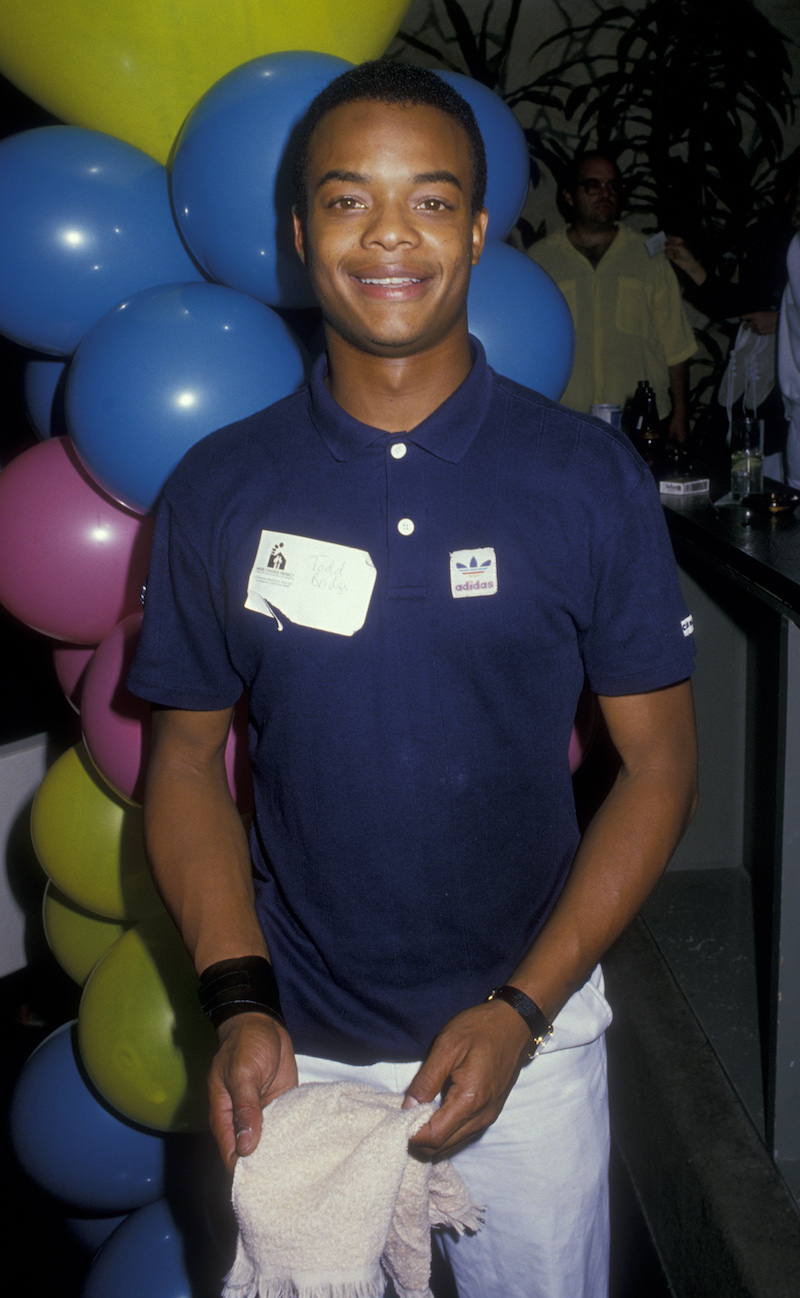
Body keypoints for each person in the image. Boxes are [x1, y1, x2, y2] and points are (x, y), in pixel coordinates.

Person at [128, 62, 698, 1298]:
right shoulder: (219, 487)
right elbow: (182, 762)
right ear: (298, 233)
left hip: (531, 1040)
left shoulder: (584, 478)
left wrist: (521, 1008)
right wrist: (238, 1000)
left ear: (478, 232)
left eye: (430, 201)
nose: (389, 234)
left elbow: (658, 764)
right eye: (347, 199)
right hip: (295, 1049)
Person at [530, 151, 697, 441]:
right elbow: (530, 345)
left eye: (613, 186)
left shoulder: (648, 255)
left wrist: (681, 414)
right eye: (593, 185)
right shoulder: (540, 260)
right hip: (566, 421)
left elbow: (676, 343)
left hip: (641, 423)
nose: (605, 194)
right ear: (569, 196)